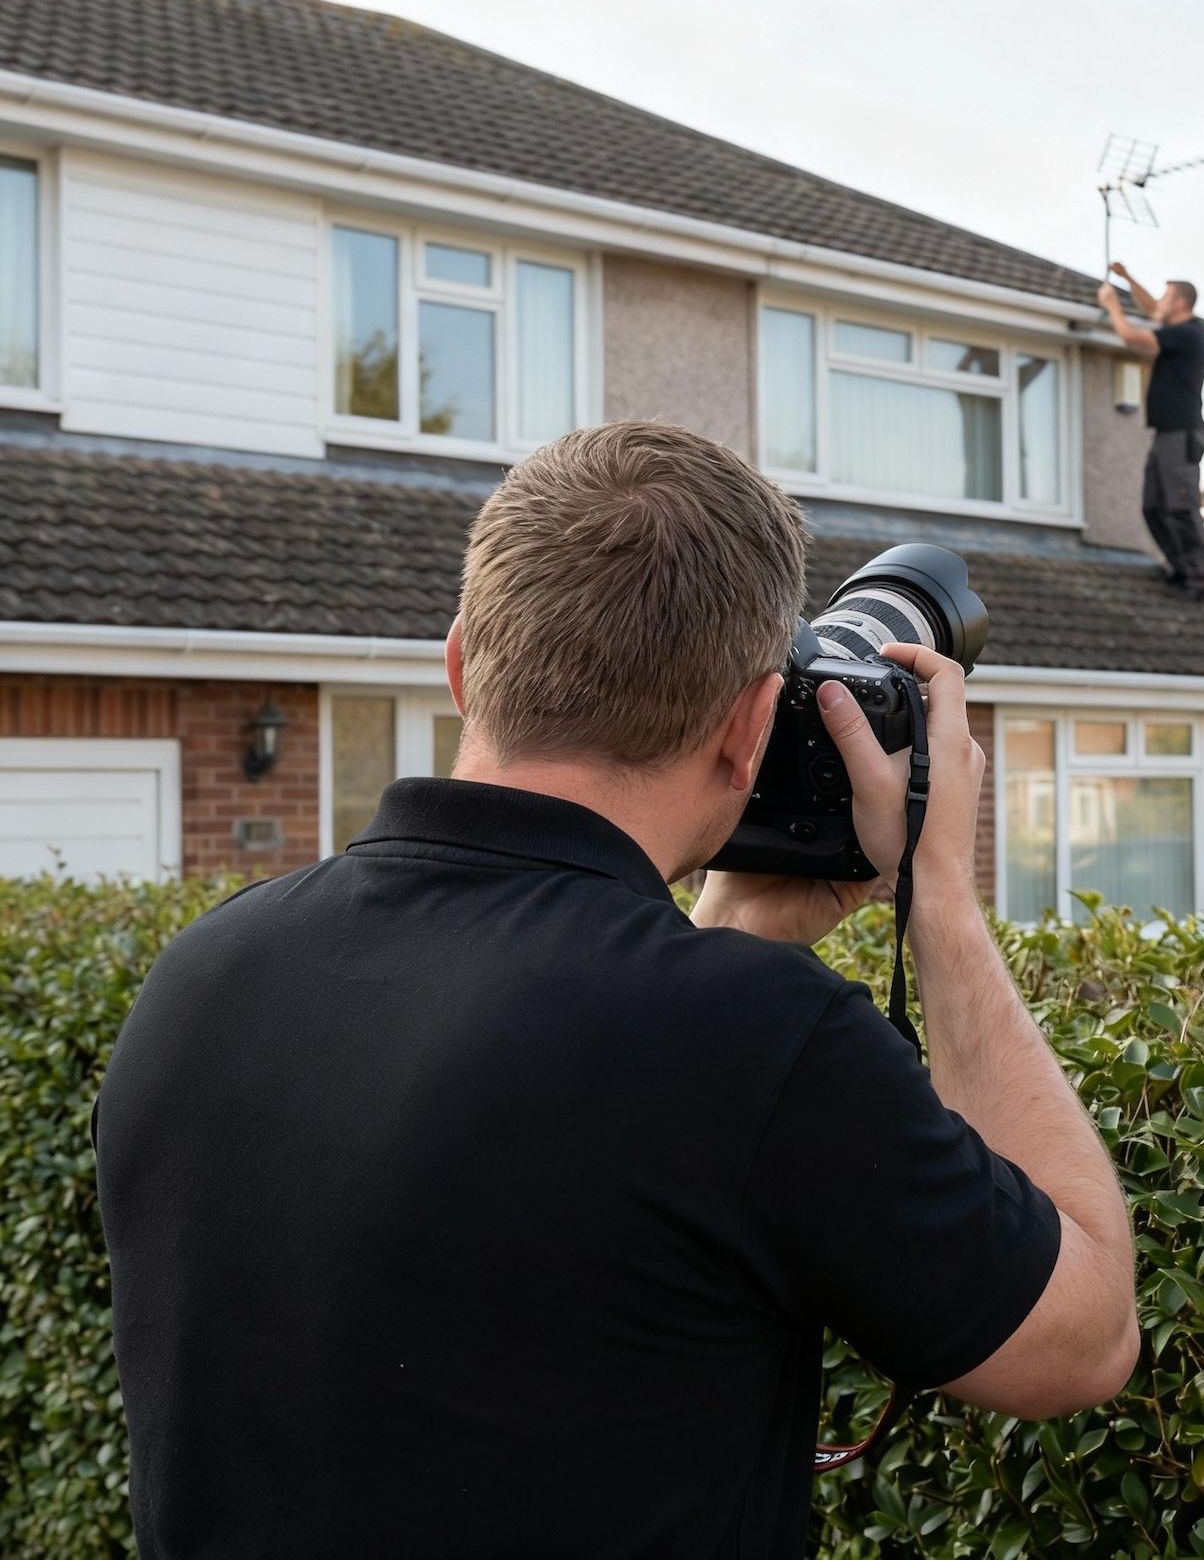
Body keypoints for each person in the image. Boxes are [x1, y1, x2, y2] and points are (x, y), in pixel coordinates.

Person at [93, 422, 1139, 1559]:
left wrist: (727, 930)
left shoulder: (208, 968)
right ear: (750, 723)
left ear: (459, 665)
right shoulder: (751, 1044)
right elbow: (1080, 1339)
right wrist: (940, 905)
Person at [1096, 265, 1204, 597]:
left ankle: (1195, 577)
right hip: (1166, 434)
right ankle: (1177, 567)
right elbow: (1152, 309)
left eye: (1166, 296)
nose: (1158, 301)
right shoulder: (1179, 328)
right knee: (1152, 505)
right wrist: (1128, 279)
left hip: (1181, 433)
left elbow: (1132, 337)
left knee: (1180, 505)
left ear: (1179, 304)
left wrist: (1111, 305)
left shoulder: (1188, 333)